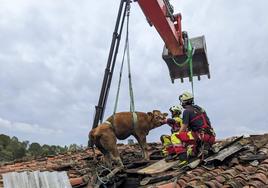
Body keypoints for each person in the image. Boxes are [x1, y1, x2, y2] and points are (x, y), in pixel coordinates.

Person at [168, 91, 216, 163]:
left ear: (184, 101)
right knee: (192, 149)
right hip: (211, 137)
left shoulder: (186, 111)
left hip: (201, 136)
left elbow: (183, 128)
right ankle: (201, 148)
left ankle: (183, 159)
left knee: (174, 136)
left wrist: (180, 138)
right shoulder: (200, 109)